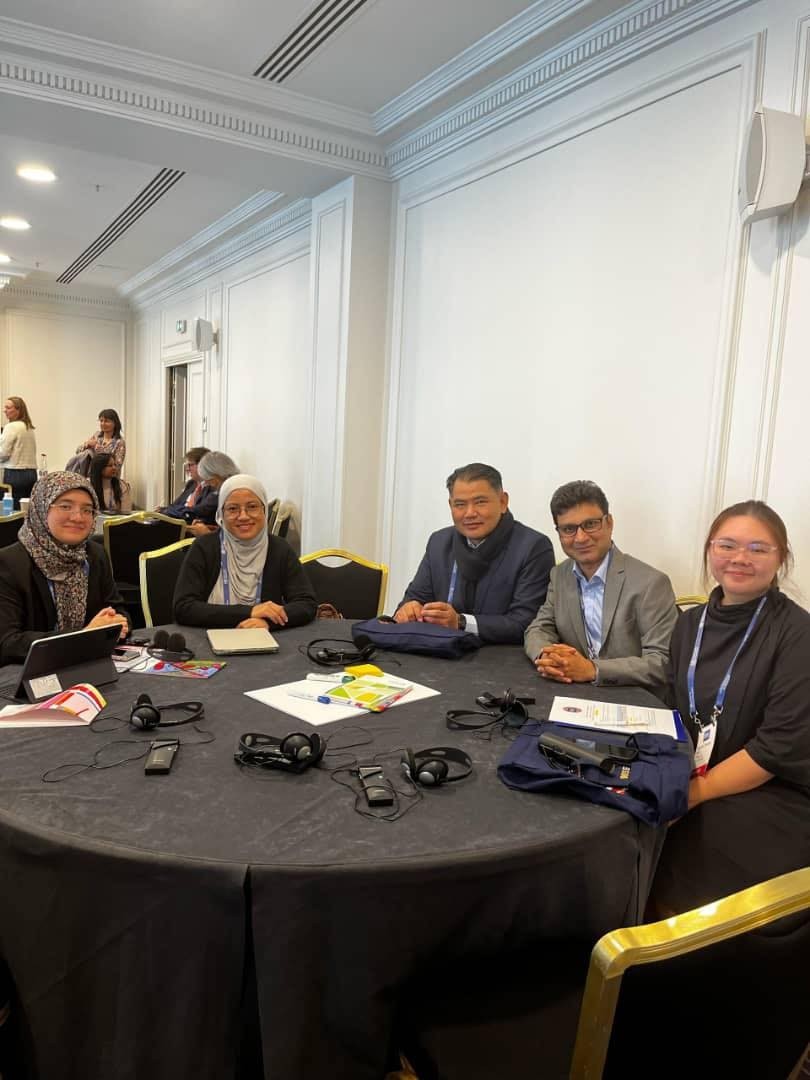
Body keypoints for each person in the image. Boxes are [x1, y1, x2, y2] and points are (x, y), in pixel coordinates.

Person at [650, 499, 810, 913]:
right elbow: (674, 708)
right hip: (697, 775)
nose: (740, 558)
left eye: (758, 549)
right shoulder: (690, 623)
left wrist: (691, 795)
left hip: (775, 790)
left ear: (781, 558)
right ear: (710, 550)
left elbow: (776, 749)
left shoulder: (798, 634)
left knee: (687, 858)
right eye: (727, 545)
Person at [524, 481, 677, 691]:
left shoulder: (651, 583)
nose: (580, 537)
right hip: (576, 692)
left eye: (590, 524)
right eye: (568, 529)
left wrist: (593, 669)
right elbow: (539, 628)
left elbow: (662, 661)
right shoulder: (559, 575)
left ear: (609, 523)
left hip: (633, 696)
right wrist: (547, 656)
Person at [394, 463, 554, 644]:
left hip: (501, 655)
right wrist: (409, 609)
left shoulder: (533, 547)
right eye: (460, 504)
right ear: (450, 505)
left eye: (480, 502)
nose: (470, 513)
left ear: (503, 502)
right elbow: (414, 598)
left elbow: (525, 623)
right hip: (441, 652)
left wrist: (461, 622)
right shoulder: (439, 542)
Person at [0, 471, 129, 665]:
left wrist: (116, 622)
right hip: (28, 672)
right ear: (42, 507)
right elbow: (8, 643)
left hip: (88, 665)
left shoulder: (94, 554)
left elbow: (117, 608)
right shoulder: (9, 563)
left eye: (87, 510)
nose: (78, 517)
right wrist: (84, 636)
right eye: (65, 506)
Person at [173, 473, 316, 629]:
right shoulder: (204, 547)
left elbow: (306, 604)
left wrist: (267, 622)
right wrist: (250, 612)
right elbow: (183, 608)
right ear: (221, 514)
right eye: (233, 509)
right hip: (208, 636)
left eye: (252, 507)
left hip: (263, 638)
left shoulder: (280, 549)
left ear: (264, 510)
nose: (243, 516)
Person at [76, 409, 127, 512]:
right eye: (101, 421)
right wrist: (87, 445)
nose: (103, 424)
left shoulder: (119, 442)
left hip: (110, 482)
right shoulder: (97, 436)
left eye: (107, 421)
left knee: (107, 507)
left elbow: (117, 464)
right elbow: (78, 451)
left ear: (115, 423)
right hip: (93, 479)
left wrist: (98, 449)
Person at [183, 450, 239, 537]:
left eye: (208, 480)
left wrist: (206, 533)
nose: (207, 484)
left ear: (217, 476)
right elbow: (227, 529)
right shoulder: (226, 490)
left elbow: (237, 537)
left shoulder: (235, 494)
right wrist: (212, 529)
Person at [0, 396, 38, 508]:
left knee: (12, 510)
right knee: (26, 510)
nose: (4, 411)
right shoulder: (29, 427)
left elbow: (3, 453)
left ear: (18, 410)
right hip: (31, 473)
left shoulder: (11, 427)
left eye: (8, 408)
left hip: (15, 473)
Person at [157, 445, 210, 518]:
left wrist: (167, 511)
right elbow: (175, 505)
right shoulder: (191, 483)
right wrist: (164, 509)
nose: (187, 469)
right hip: (176, 518)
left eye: (190, 465)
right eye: (186, 465)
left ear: (202, 465)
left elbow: (195, 511)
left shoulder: (212, 487)